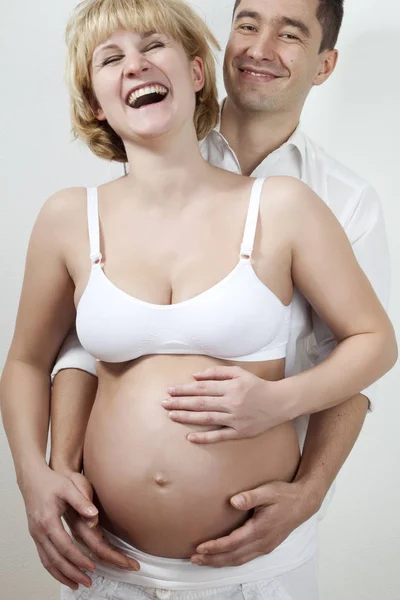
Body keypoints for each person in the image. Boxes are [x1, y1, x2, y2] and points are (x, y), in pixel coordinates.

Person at [0, 1, 396, 600]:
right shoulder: (72, 216)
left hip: (252, 563)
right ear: (92, 103)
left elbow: (366, 349)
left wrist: (300, 469)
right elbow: (59, 352)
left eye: (290, 33)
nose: (261, 48)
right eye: (111, 58)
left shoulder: (313, 202)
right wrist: (43, 474)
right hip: (111, 562)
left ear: (194, 71)